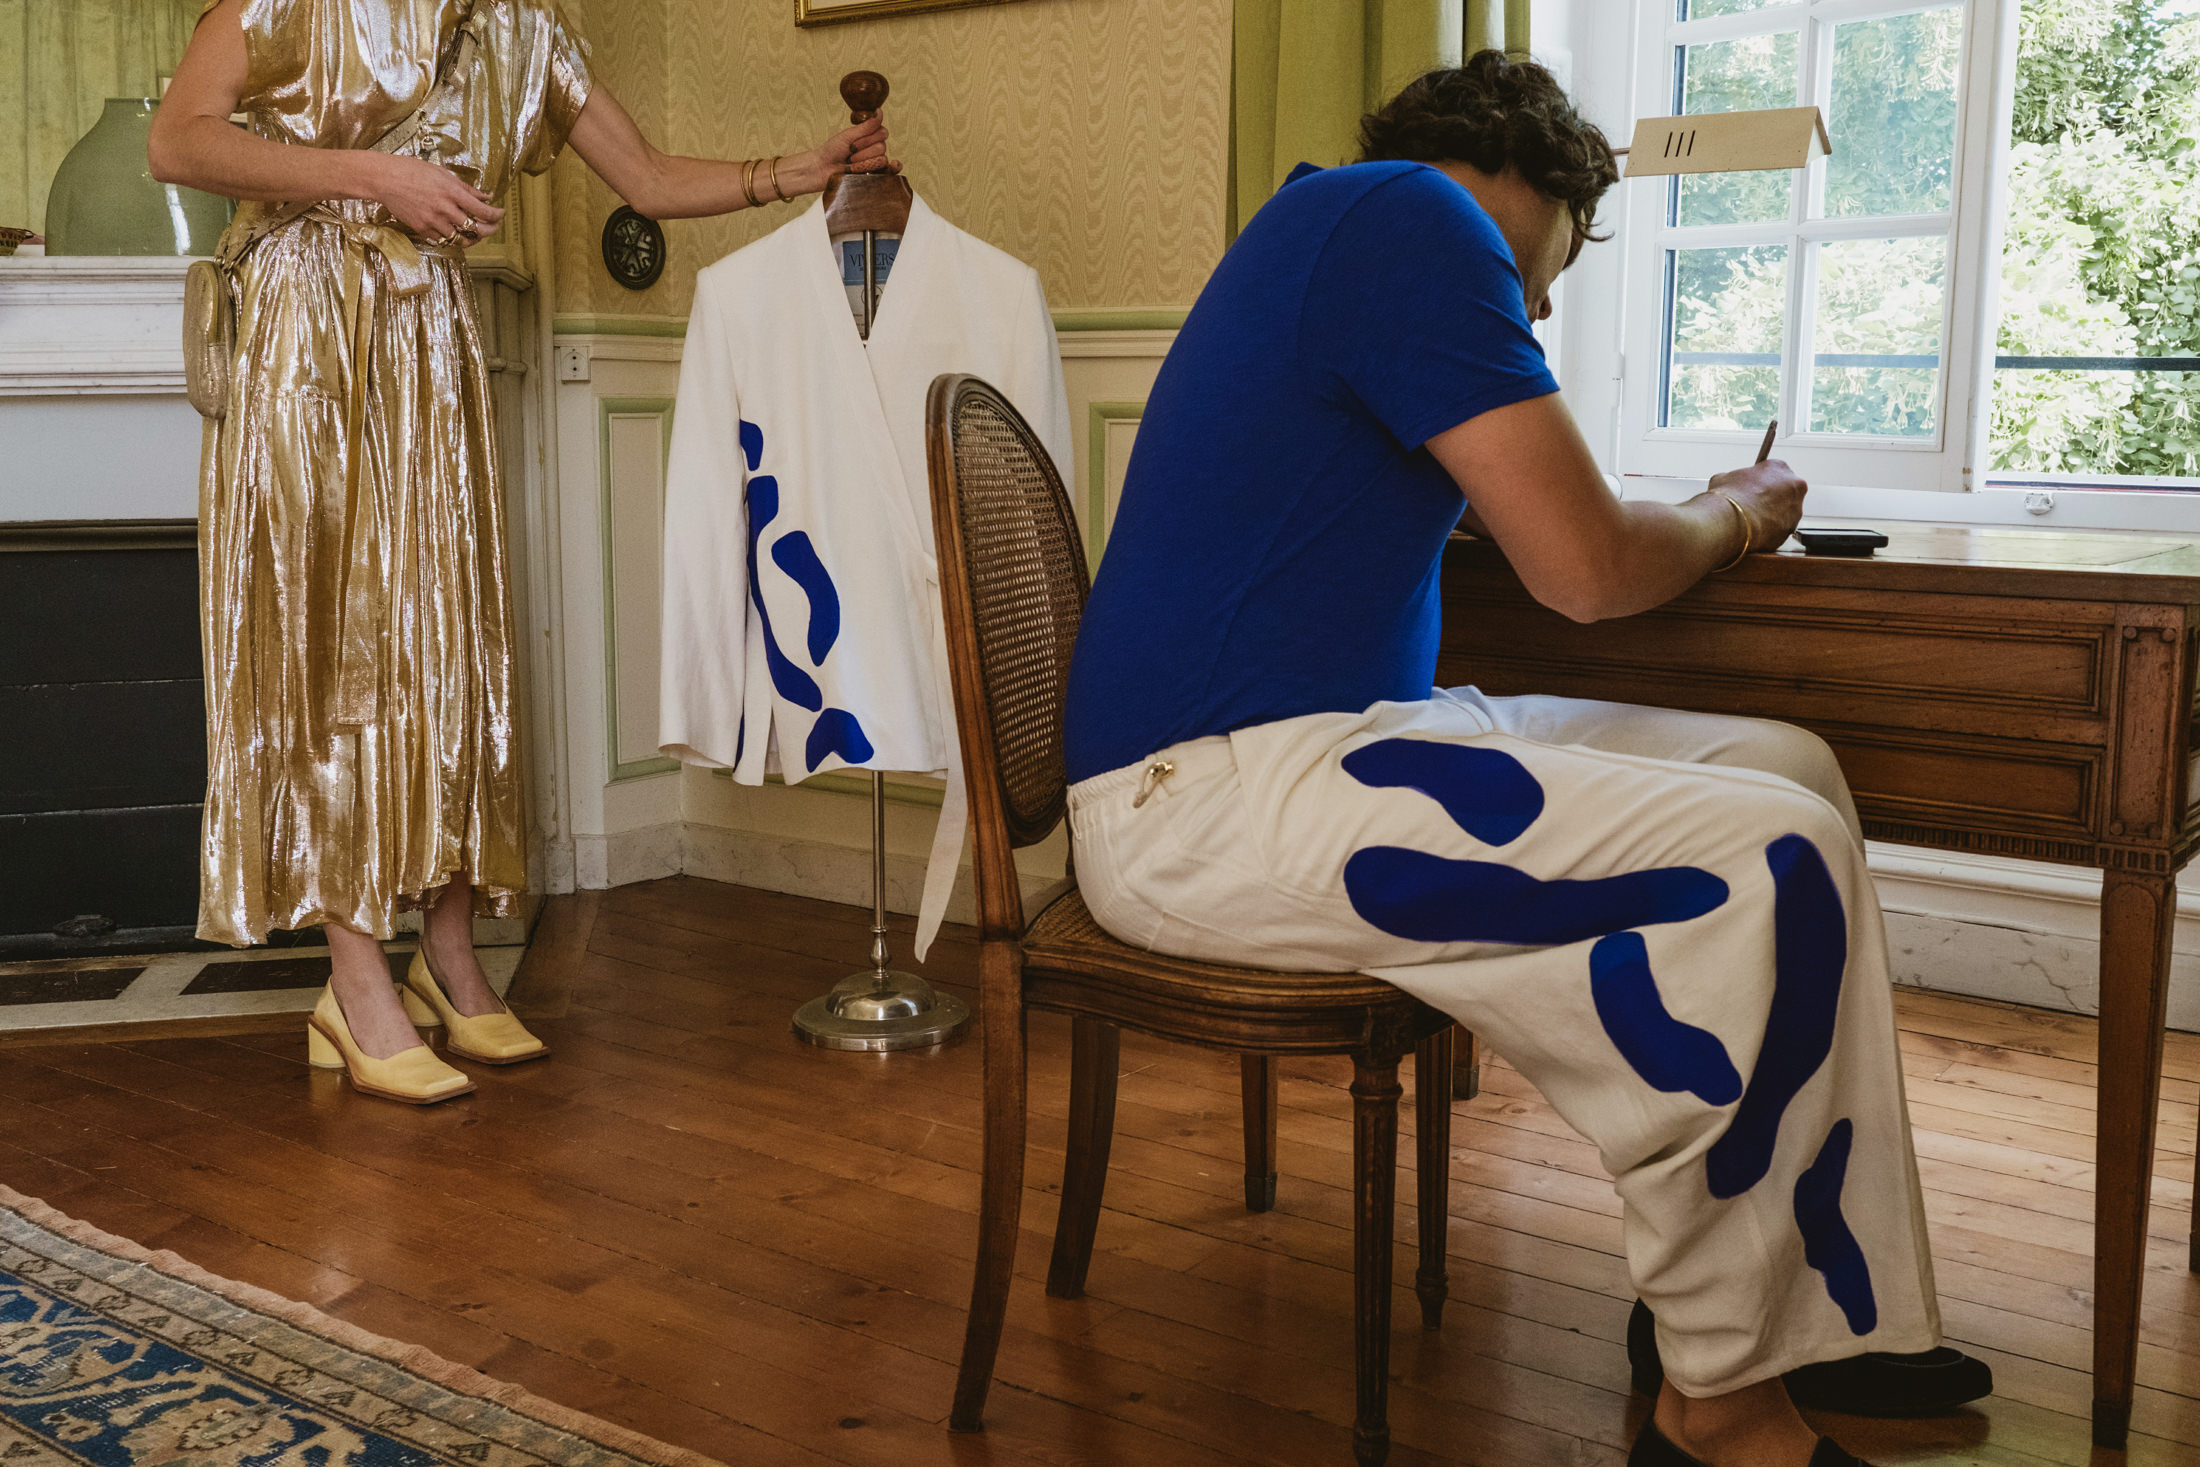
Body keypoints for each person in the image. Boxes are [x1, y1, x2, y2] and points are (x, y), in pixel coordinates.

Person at [1061, 54, 1987, 1467]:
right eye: (1545, 273)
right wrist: (1739, 507)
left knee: (1785, 765)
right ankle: (1723, 1409)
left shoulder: (1340, 223)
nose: (1540, 305)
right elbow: (1591, 571)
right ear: (1525, 183)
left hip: (1335, 737)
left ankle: (1785, 1302)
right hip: (1208, 793)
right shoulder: (1416, 224)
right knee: (1764, 858)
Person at [149, 0, 895, 1104]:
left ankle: (451, 960)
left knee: (444, 646)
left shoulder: (522, 30)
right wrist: (370, 176)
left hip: (429, 340)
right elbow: (179, 139)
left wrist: (798, 169)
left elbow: (643, 176)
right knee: (335, 644)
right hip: (306, 339)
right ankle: (355, 978)